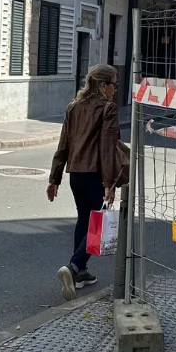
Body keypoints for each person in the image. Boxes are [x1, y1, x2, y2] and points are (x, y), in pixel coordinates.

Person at [47, 64, 123, 301]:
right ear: (103, 86)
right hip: (95, 174)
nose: (115, 89)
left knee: (84, 218)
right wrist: (109, 183)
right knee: (97, 226)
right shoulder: (108, 108)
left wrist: (54, 178)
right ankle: (73, 268)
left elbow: (63, 144)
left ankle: (80, 273)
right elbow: (107, 147)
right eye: (114, 84)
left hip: (76, 174)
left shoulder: (73, 106)